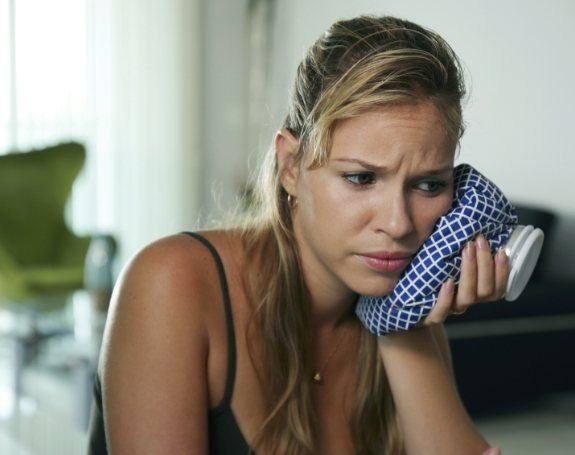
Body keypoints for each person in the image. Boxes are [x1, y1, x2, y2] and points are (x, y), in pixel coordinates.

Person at [87, 14, 507, 454]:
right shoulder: (172, 284)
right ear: (290, 166)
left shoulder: (408, 314)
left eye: (429, 185)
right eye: (362, 178)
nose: (399, 224)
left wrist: (402, 329)